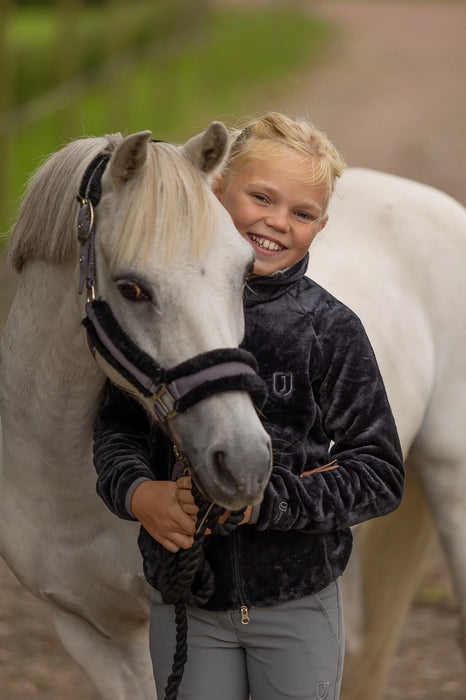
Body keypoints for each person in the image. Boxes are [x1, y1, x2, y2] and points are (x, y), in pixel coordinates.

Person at [93, 112, 404, 700]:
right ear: (215, 190)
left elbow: (380, 473)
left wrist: (270, 503)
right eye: (261, 197)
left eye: (302, 213)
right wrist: (140, 494)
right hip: (189, 601)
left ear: (322, 224)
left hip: (297, 602)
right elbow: (117, 430)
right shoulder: (169, 310)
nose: (277, 222)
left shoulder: (328, 329)